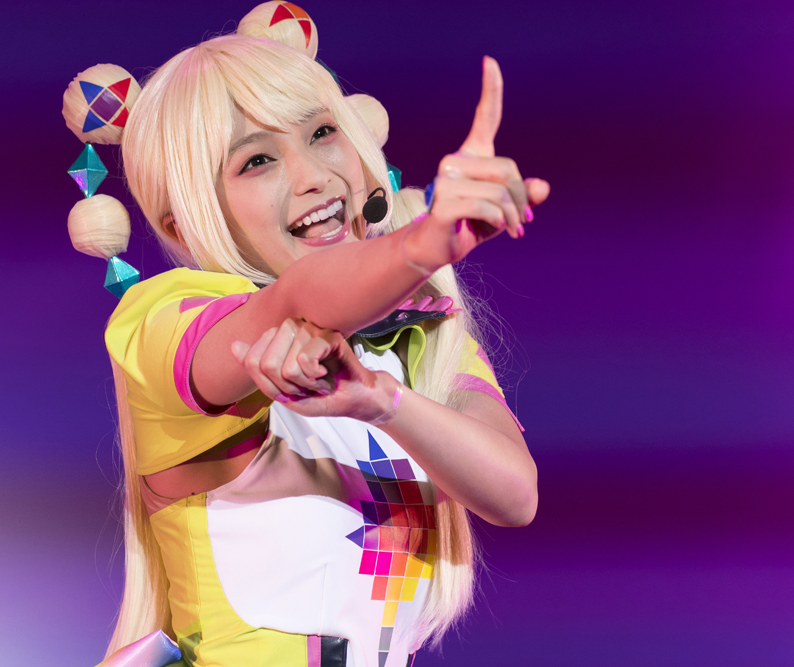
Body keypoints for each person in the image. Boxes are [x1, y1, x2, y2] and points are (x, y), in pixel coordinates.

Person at [84, 3, 548, 666]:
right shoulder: (162, 320)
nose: (314, 176)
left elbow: (515, 493)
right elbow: (299, 296)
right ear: (183, 223)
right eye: (256, 161)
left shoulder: (421, 338)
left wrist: (383, 400)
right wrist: (421, 246)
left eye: (323, 132)